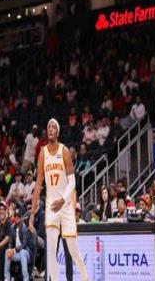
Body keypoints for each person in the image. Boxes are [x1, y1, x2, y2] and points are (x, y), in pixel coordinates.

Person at [29, 119, 89, 281]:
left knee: (73, 249)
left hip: (66, 205)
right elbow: (38, 184)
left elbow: (73, 182)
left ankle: (85, 277)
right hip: (51, 206)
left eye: (53, 127)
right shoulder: (43, 153)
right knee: (51, 250)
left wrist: (63, 200)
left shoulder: (64, 151)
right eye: (48, 126)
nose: (50, 129)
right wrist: (33, 212)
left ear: (58, 132)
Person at [4, 209, 34, 281]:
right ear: (14, 218)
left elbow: (24, 244)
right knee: (7, 251)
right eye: (15, 216)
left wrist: (14, 250)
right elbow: (10, 242)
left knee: (22, 252)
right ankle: (7, 277)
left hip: (26, 254)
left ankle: (26, 278)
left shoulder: (24, 227)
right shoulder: (12, 227)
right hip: (17, 253)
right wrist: (10, 249)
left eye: (18, 216)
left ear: (20, 218)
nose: (17, 218)